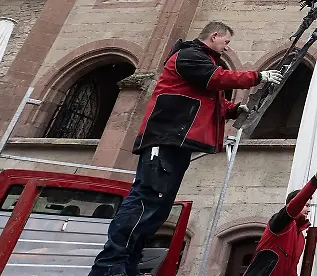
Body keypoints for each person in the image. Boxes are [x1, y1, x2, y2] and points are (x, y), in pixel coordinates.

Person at [89, 21, 282, 276]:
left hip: (178, 141)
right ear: (214, 36)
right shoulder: (189, 55)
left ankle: (128, 264)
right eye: (226, 42)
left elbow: (204, 99)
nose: (226, 48)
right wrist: (257, 76)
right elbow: (216, 80)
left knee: (157, 208)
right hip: (165, 137)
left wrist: (233, 110)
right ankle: (110, 266)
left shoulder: (201, 60)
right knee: (146, 201)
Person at [243, 160, 317, 276]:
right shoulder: (280, 223)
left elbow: (291, 268)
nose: (309, 210)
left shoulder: (301, 238)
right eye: (306, 205)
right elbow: (296, 204)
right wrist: (316, 179)